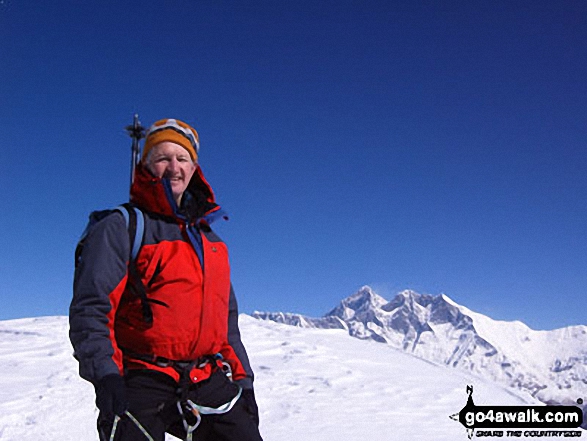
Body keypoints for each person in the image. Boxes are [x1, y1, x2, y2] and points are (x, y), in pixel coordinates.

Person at [70, 118, 263, 441]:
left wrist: (244, 382)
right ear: (146, 165)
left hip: (205, 375)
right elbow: (92, 308)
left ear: (194, 168)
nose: (173, 166)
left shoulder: (212, 243)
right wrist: (105, 375)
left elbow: (226, 325)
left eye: (182, 158)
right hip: (141, 376)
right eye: (162, 157)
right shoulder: (122, 227)